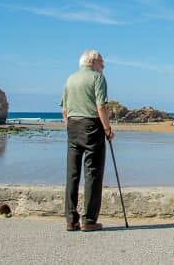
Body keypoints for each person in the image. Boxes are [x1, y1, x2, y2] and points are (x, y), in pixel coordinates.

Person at [62, 49, 113, 232]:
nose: (103, 66)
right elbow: (101, 106)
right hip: (92, 125)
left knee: (72, 173)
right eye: (101, 62)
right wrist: (107, 129)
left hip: (73, 126)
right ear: (92, 61)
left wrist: (70, 125)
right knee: (93, 172)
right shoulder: (97, 78)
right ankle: (89, 220)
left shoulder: (70, 79)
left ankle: (71, 219)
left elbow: (64, 109)